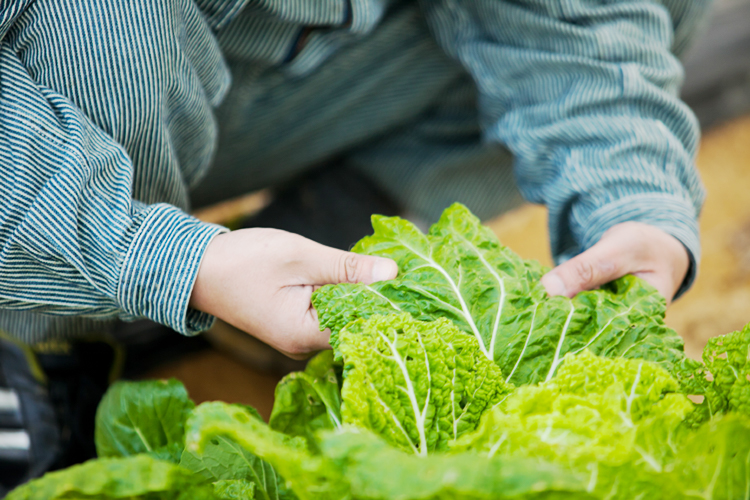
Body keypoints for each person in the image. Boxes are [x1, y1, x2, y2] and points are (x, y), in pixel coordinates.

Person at [0, 0, 709, 490]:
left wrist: (631, 182)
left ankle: (304, 258)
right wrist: (158, 256)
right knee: (100, 20)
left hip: (276, 67)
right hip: (50, 116)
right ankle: (47, 335)